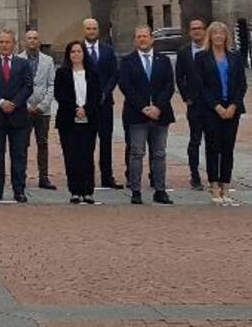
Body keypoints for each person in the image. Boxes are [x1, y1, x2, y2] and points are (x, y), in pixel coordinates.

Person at [118, 25, 176, 205]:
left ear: (152, 39)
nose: (142, 39)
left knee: (159, 153)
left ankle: (160, 190)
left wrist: (158, 107)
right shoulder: (127, 61)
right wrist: (143, 107)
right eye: (138, 37)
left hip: (161, 114)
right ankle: (136, 190)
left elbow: (169, 86)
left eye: (145, 36)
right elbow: (126, 86)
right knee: (137, 152)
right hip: (137, 115)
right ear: (135, 40)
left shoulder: (163, 60)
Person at [196, 21, 245, 206]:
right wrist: (216, 106)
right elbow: (200, 85)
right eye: (215, 33)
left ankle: (226, 186)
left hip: (232, 108)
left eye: (221, 33)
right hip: (211, 109)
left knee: (228, 149)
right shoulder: (202, 57)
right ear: (210, 36)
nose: (218, 36)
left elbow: (242, 83)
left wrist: (233, 105)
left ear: (226, 36)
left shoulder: (235, 57)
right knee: (213, 147)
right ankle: (214, 185)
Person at [0, 29, 33, 202]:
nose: (4, 45)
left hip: (18, 117)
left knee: (18, 155)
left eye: (7, 42)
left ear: (14, 44)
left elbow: (28, 86)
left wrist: (15, 103)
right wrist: (1, 102)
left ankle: (19, 190)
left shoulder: (23, 64)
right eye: (1, 42)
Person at [54, 41, 100, 203]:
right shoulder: (62, 73)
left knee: (87, 155)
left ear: (83, 54)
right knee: (71, 156)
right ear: (68, 55)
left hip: (89, 119)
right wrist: (75, 108)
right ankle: (75, 190)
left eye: (79, 51)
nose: (76, 54)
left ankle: (88, 191)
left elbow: (96, 95)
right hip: (68, 120)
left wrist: (85, 109)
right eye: (72, 52)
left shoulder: (92, 73)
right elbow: (59, 94)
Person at [83, 18, 121, 189]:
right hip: (85, 104)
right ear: (84, 30)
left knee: (106, 141)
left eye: (94, 28)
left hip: (105, 103)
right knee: (86, 142)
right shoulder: (78, 50)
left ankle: (107, 176)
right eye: (88, 28)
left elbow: (114, 74)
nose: (91, 31)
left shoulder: (108, 51)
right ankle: (86, 177)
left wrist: (106, 92)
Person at [175, 17, 209, 191]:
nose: (197, 31)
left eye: (200, 28)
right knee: (195, 140)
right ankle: (194, 175)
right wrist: (186, 96)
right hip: (194, 103)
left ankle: (213, 174)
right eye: (193, 28)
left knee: (213, 141)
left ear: (205, 30)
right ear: (189, 32)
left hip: (213, 104)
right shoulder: (184, 52)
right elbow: (179, 76)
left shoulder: (213, 49)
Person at [23, 29, 57, 190]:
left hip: (43, 110)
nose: (32, 41)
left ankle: (43, 177)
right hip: (24, 109)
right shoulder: (18, 59)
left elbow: (51, 84)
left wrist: (43, 104)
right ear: (25, 41)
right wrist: (27, 105)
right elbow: (16, 86)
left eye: (35, 38)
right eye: (29, 38)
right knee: (21, 144)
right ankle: (20, 175)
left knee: (42, 143)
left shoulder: (48, 60)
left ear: (39, 41)